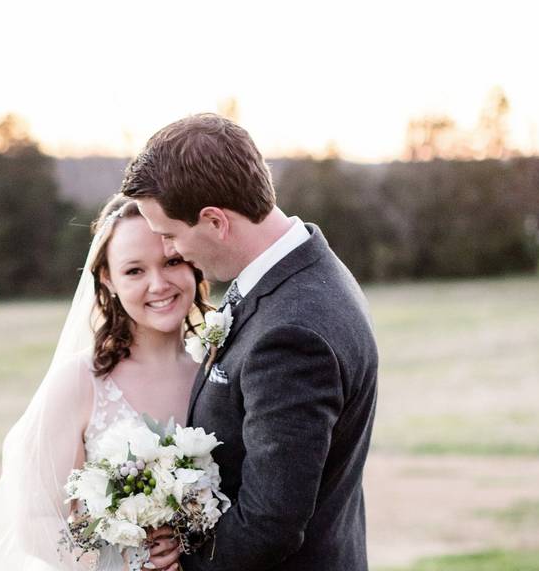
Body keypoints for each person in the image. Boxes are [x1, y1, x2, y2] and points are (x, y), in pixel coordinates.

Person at [122, 113, 379, 571]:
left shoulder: (291, 334)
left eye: (170, 235)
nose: (172, 251)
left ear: (215, 221)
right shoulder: (300, 272)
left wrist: (186, 564)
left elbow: (271, 520)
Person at [0, 194, 213, 570]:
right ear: (108, 279)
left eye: (172, 261)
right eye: (134, 271)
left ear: (194, 264)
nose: (158, 284)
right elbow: (36, 522)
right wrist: (124, 560)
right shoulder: (80, 382)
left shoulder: (217, 373)